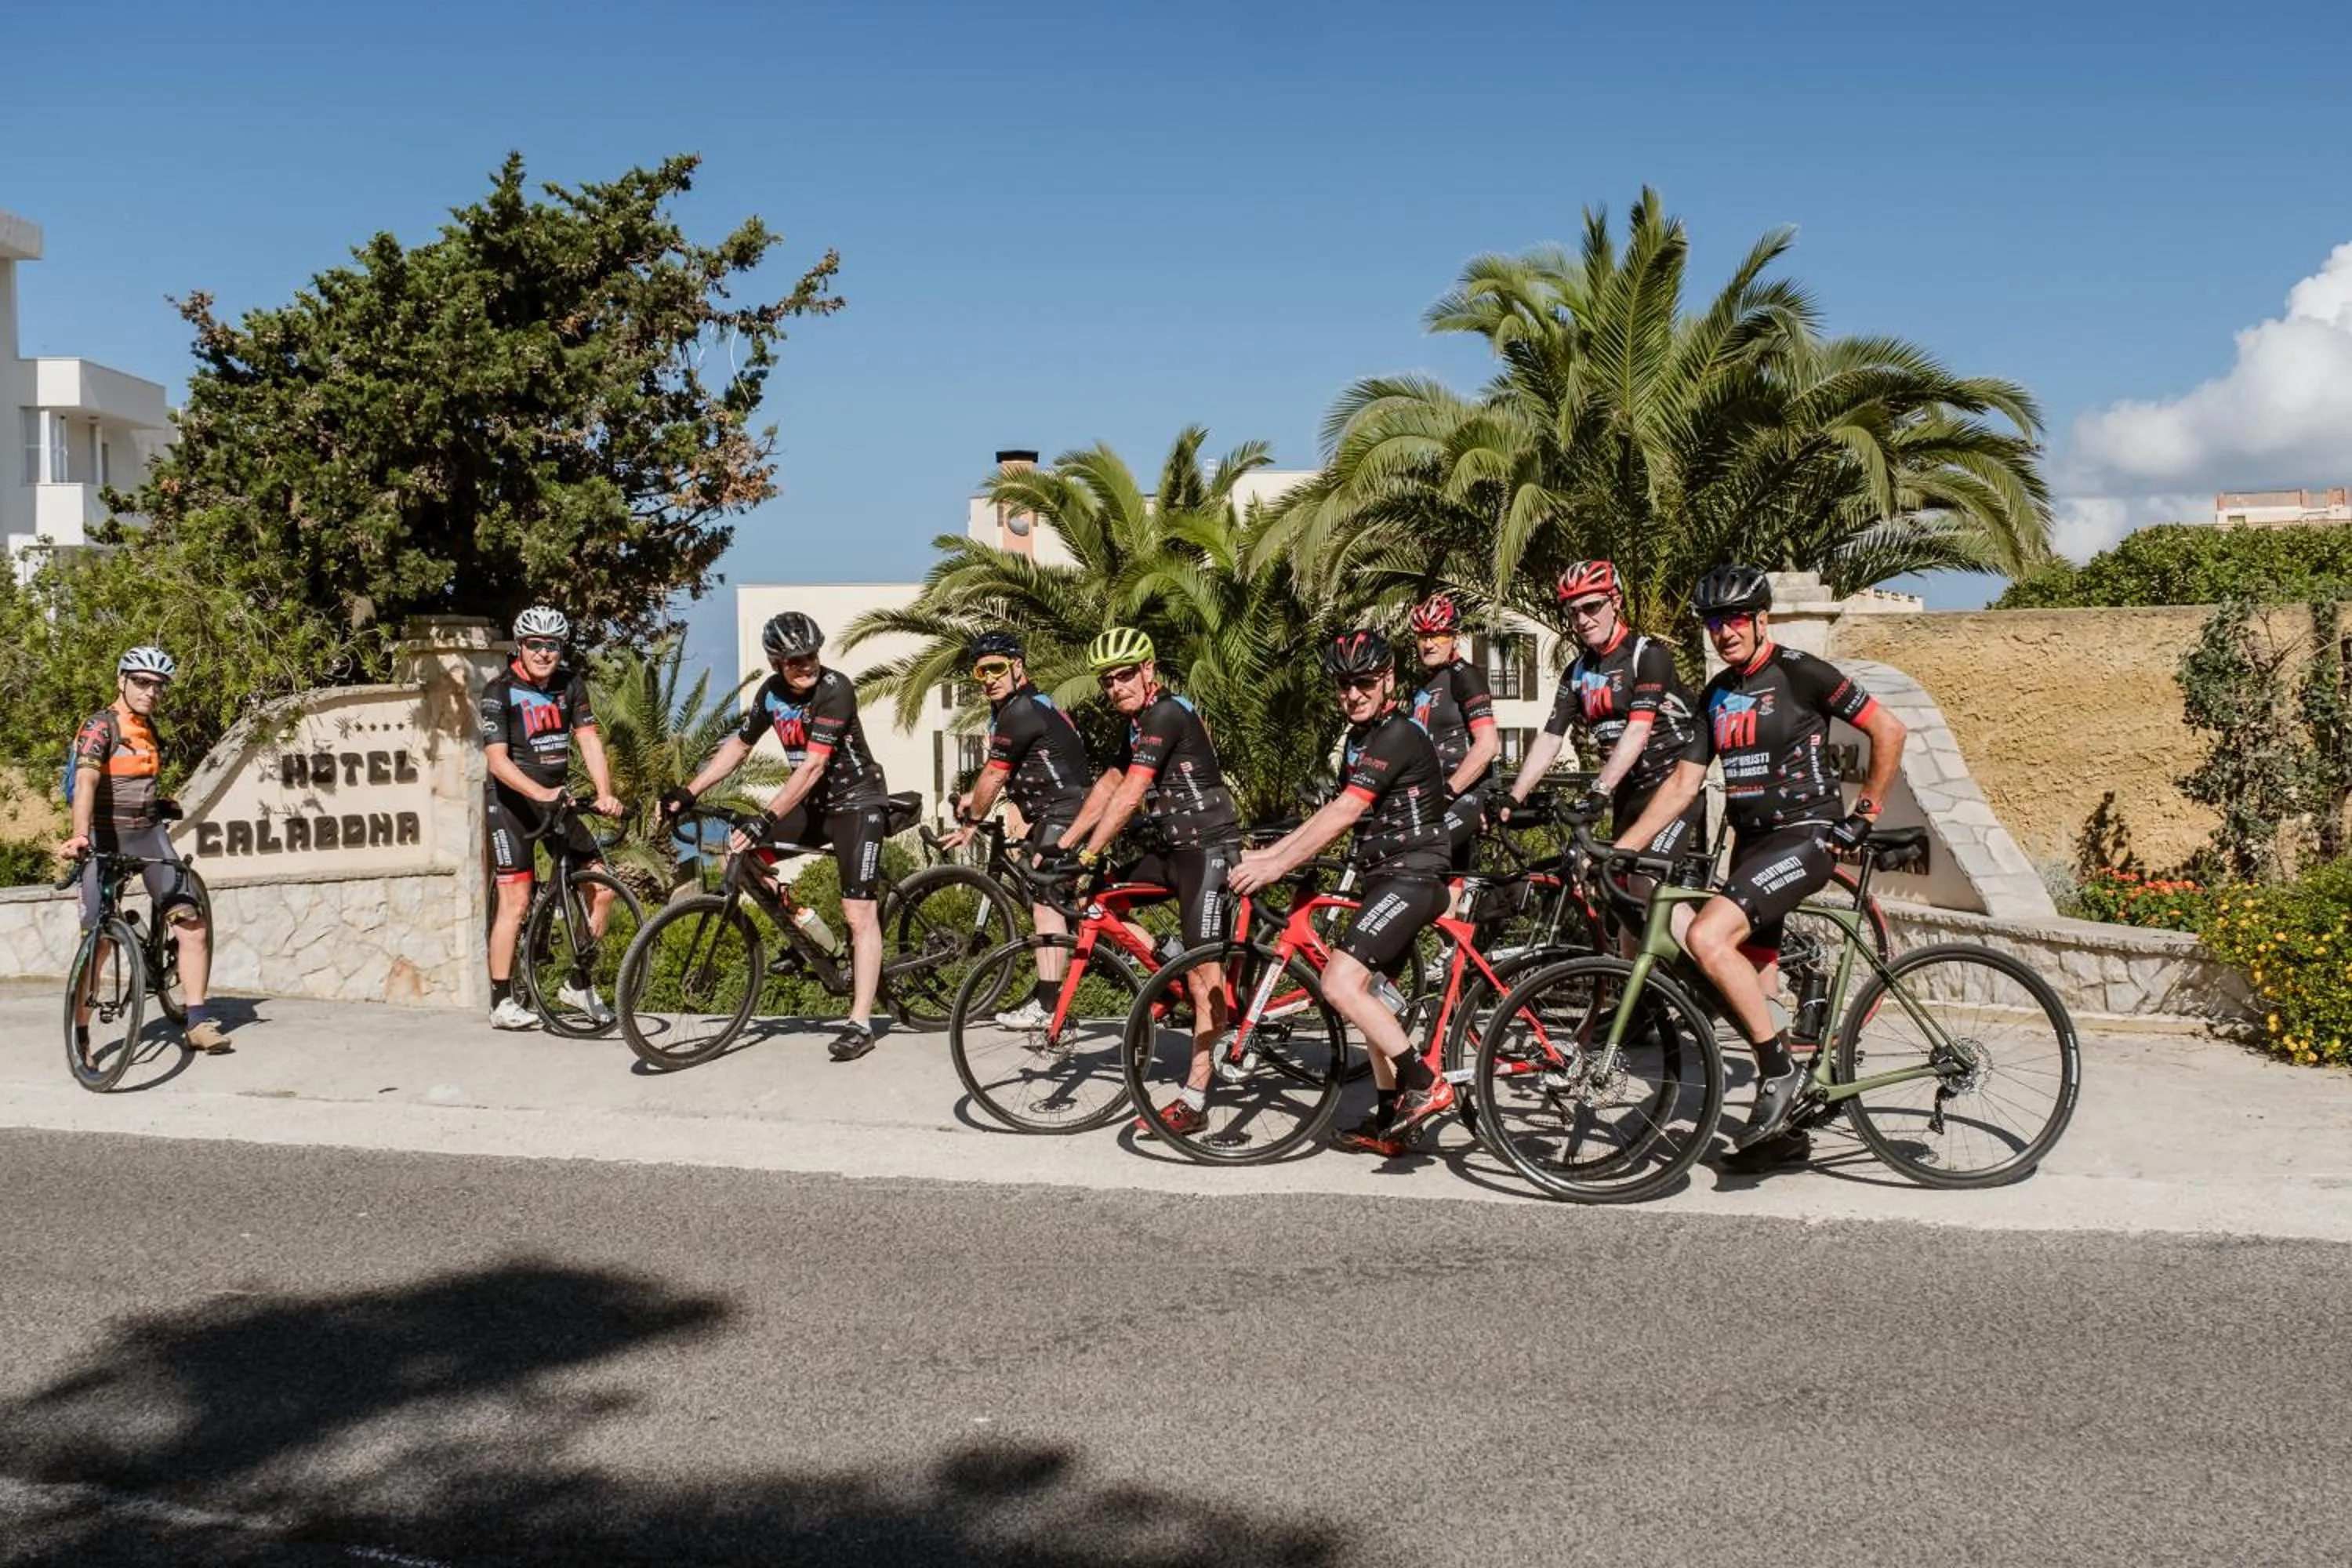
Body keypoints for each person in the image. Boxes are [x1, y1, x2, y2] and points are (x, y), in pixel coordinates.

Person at [1610, 565, 1908, 1171]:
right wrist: (1622, 849)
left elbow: (1888, 728)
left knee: (1705, 934)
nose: (1724, 632)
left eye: (1735, 619)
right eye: (1714, 623)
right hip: (1751, 849)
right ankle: (1785, 1138)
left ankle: (1781, 1075)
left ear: (1760, 618)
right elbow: (1683, 781)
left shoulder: (1801, 672)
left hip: (1805, 838)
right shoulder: (1715, 693)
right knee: (1750, 994)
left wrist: (1866, 815)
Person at [1232, 629, 1454, 1156]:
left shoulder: (1397, 733)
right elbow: (1330, 812)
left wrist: (1276, 863)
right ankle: (1386, 1125)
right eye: (1343, 685)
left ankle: (1426, 1087)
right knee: (1372, 998)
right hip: (1388, 875)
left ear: (1389, 681)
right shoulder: (1360, 739)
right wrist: (1266, 856)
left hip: (1414, 875)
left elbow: (1346, 812)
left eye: (1364, 683)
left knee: (1339, 982)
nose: (1352, 694)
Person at [662, 611, 892, 1062]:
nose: (806, 664)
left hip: (856, 802)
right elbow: (739, 746)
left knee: (858, 910)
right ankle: (809, 934)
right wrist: (689, 791)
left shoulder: (835, 689)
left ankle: (860, 1021)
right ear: (775, 663)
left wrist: (764, 818)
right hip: (813, 805)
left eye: (810, 655)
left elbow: (812, 767)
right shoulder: (771, 695)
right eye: (793, 660)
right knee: (742, 854)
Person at [1062, 626, 1241, 1135]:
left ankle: (1196, 1097)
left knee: (1207, 978)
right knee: (1102, 899)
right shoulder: (1139, 721)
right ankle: (1169, 961)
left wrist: (1091, 850)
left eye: (1124, 675)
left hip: (1206, 850)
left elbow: (1131, 792)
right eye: (1107, 680)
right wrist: (1066, 843)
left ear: (1148, 670)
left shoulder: (1166, 713)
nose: (1116, 686)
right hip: (1171, 850)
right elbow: (1112, 782)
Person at [56, 646, 227, 1055]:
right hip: (101, 837)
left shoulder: (150, 729)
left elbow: (139, 780)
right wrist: (80, 835)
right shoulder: (100, 727)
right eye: (141, 682)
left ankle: (198, 1022)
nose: (150, 691)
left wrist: (158, 804)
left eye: (159, 686)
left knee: (192, 924)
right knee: (95, 943)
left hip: (147, 834)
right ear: (122, 680)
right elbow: (86, 783)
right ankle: (82, 1035)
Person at [1501, 560, 1707, 871]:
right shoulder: (1578, 671)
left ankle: (1708, 923)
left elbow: (1637, 731)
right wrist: (1514, 798)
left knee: (1643, 882)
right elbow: (1550, 737)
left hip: (1670, 784)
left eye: (1592, 606)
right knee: (1610, 887)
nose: (1582, 619)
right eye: (1573, 612)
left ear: (1616, 602)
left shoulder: (1647, 655)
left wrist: (1599, 789)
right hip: (1629, 789)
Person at [478, 607, 624, 1031]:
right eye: (536, 645)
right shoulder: (498, 691)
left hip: (556, 800)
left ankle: (579, 983)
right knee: (516, 901)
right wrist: (539, 791)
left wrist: (604, 793)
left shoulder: (569, 683)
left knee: (603, 886)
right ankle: (502, 1002)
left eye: (553, 646)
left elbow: (589, 740)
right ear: (520, 647)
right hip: (511, 804)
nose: (544, 653)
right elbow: (497, 760)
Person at [942, 630, 1092, 1030]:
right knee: (1073, 909)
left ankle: (1048, 1006)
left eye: (996, 668)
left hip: (1064, 813)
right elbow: (1001, 773)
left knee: (1046, 901)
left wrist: (972, 820)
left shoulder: (1020, 709)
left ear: (1018, 667)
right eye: (981, 672)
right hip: (1058, 813)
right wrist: (971, 800)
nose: (988, 678)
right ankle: (1155, 959)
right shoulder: (1024, 705)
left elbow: (994, 774)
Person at [1406, 593, 1499, 869]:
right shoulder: (1423, 686)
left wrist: (1448, 792)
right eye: (1422, 636)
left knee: (1420, 855)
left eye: (1438, 635)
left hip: (1466, 793)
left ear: (1455, 638)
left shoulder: (1464, 675)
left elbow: (1488, 745)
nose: (1429, 644)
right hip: (1433, 796)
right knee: (1447, 881)